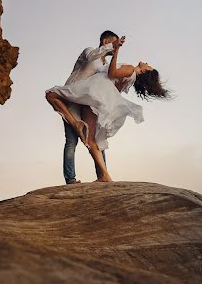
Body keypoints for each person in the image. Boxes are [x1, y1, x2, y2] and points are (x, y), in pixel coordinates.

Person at [45, 36, 169, 182]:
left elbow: (111, 74)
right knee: (91, 140)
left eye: (149, 66)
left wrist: (116, 50)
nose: (147, 63)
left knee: (51, 94)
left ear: (144, 72)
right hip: (96, 99)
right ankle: (104, 175)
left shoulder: (130, 70)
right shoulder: (130, 79)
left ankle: (102, 174)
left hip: (92, 93)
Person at [46, 31, 119, 184]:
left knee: (96, 138)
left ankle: (103, 175)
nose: (114, 47)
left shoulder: (105, 65)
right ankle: (70, 178)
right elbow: (91, 56)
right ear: (105, 40)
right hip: (70, 96)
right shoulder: (89, 52)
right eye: (112, 42)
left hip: (86, 102)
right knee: (72, 140)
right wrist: (110, 47)